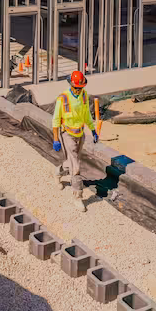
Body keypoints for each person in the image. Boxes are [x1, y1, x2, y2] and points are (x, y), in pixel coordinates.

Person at [51, 69, 97, 212]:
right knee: (76, 166)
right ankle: (78, 197)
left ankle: (58, 172)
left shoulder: (84, 95)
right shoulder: (63, 99)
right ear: (71, 85)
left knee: (70, 162)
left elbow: (86, 114)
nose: (78, 90)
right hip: (67, 135)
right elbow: (56, 120)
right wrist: (56, 139)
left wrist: (93, 129)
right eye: (76, 88)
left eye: (81, 87)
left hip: (80, 134)